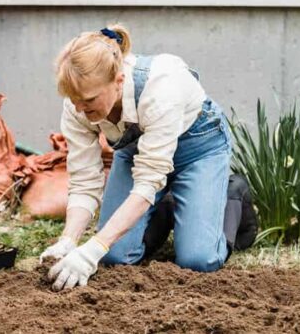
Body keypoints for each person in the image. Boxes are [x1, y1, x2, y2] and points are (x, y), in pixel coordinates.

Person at [41, 24, 234, 291]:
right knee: (114, 256)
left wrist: (92, 249)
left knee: (199, 260)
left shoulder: (160, 88)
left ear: (118, 81)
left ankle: (232, 198)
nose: (80, 109)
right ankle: (166, 208)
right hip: (138, 154)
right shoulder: (78, 104)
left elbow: (146, 184)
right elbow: (84, 179)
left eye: (88, 100)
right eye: (74, 100)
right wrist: (69, 240)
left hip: (198, 149)